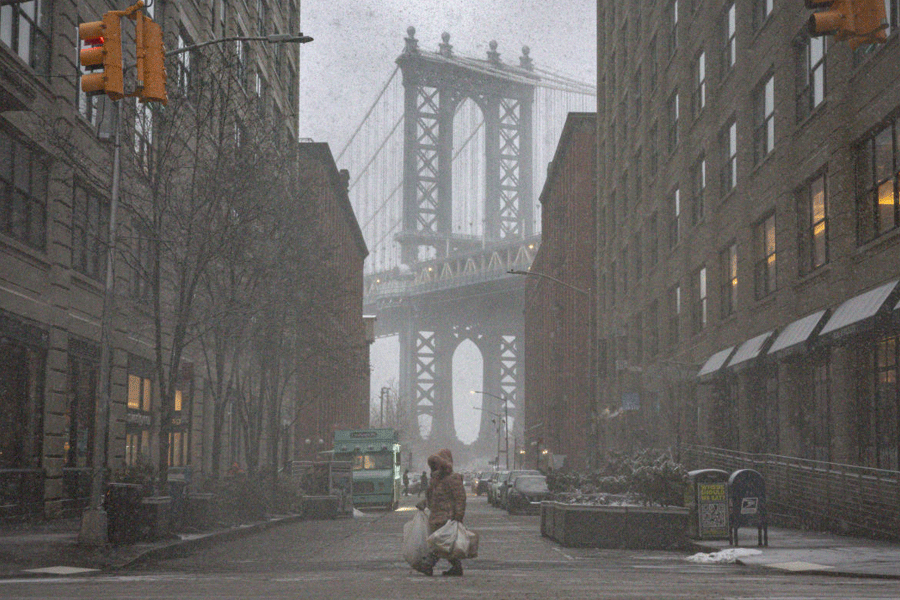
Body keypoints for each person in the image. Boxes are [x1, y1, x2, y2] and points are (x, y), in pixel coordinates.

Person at [415, 448, 466, 577]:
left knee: (439, 542)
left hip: (447, 517)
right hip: (436, 516)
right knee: (446, 543)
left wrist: (458, 515)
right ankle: (456, 566)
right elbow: (433, 497)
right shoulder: (436, 480)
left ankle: (428, 565)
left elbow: (460, 498)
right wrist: (424, 503)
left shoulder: (453, 478)